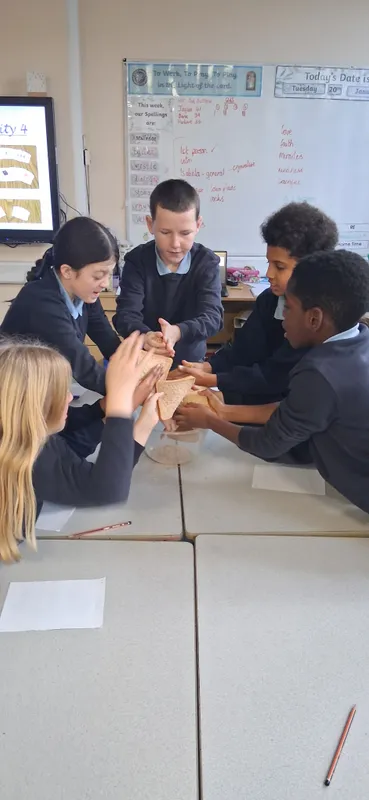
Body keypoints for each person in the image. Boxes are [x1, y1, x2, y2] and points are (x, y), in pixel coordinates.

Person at [175, 249, 369, 514]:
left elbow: (268, 443)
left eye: (287, 307)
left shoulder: (320, 373)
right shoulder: (359, 339)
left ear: (314, 318)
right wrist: (225, 410)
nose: (283, 316)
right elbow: (300, 409)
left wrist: (210, 421)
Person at [0, 333, 162, 563]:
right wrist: (120, 405)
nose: (69, 397)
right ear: (36, 407)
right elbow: (104, 488)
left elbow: (77, 459)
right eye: (60, 393)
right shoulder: (33, 454)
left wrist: (139, 422)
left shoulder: (26, 440)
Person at [177, 202, 338, 408]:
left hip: (285, 411)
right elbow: (243, 350)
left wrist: (215, 381)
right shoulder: (269, 300)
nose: (269, 274)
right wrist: (208, 366)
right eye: (269, 263)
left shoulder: (317, 322)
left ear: (311, 268)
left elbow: (275, 376)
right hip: (252, 397)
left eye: (279, 267)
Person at [1, 216, 121, 395]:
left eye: (109, 275)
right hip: (13, 399)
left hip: (40, 390)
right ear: (67, 271)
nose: (104, 284)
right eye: (98, 276)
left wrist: (141, 367)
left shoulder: (84, 294)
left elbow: (109, 342)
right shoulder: (41, 302)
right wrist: (130, 393)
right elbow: (84, 368)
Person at [113, 179, 223, 367]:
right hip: (146, 360)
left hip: (190, 363)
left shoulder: (206, 262)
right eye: (165, 232)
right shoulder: (137, 261)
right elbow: (126, 315)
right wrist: (145, 336)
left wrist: (178, 331)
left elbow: (213, 317)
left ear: (198, 225)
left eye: (185, 233)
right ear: (150, 224)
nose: (175, 243)